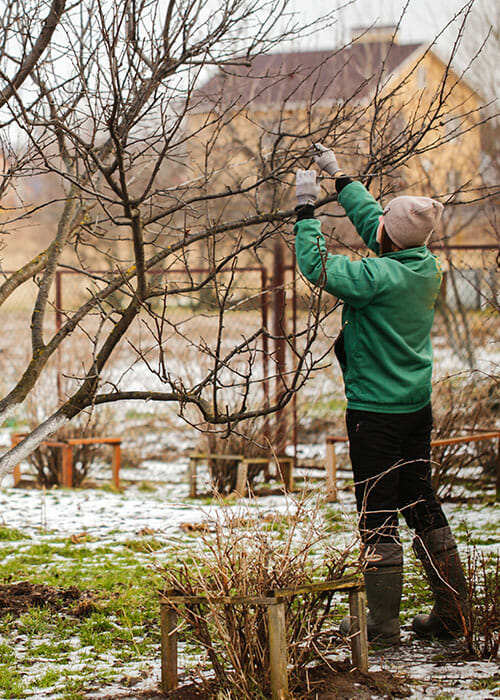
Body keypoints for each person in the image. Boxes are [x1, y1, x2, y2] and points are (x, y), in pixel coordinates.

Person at [293, 144, 469, 646]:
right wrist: (339, 177)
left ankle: (381, 624)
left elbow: (318, 266)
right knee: (420, 500)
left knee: (375, 510)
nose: (379, 231)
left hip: (375, 413)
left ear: (390, 238)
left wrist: (306, 209)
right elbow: (380, 224)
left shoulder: (376, 278)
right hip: (416, 407)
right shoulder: (423, 267)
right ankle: (452, 611)